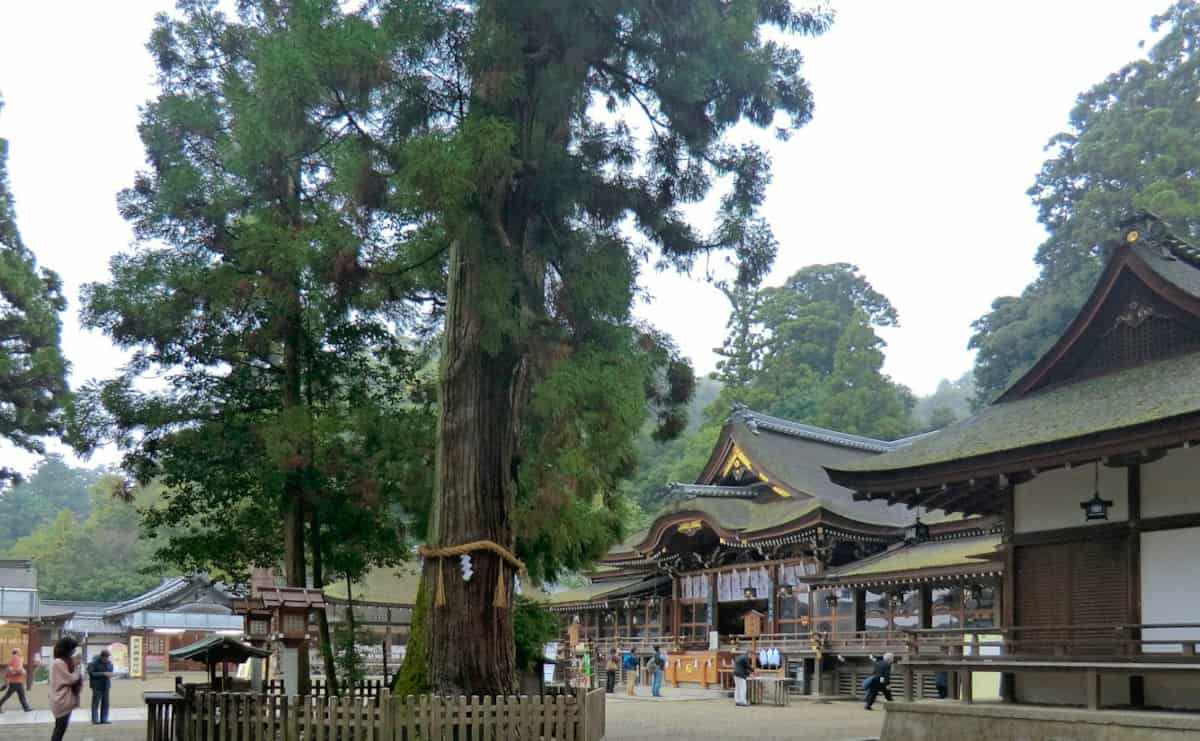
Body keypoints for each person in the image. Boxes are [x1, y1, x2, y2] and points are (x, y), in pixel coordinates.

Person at [49, 636, 83, 741]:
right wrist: (77, 669)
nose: (73, 651)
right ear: (67, 649)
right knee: (59, 729)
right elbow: (70, 679)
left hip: (63, 699)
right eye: (72, 649)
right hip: (62, 699)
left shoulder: (62, 661)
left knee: (60, 728)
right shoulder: (59, 662)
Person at [0, 648, 33, 712]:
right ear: (17, 652)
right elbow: (17, 669)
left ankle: (26, 708)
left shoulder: (11, 659)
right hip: (16, 681)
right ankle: (26, 708)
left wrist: (7, 678)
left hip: (14, 681)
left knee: (21, 695)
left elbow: (9, 670)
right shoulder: (17, 659)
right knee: (8, 695)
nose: (20, 653)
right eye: (19, 652)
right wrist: (22, 671)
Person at [87, 649, 114, 724]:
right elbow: (91, 673)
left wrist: (110, 673)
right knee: (95, 703)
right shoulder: (93, 663)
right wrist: (103, 673)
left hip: (106, 686)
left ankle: (104, 719)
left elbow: (111, 671)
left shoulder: (109, 663)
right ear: (101, 657)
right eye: (105, 657)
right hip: (97, 686)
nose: (107, 659)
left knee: (105, 703)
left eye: (107, 657)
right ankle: (95, 720)